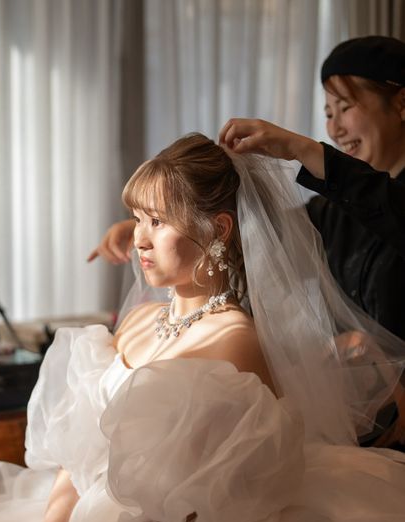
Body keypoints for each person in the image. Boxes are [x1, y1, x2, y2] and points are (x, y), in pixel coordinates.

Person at [0, 133, 405, 522]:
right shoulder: (135, 322)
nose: (139, 240)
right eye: (137, 219)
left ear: (218, 230)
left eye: (157, 221)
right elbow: (77, 455)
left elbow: (194, 507)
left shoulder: (234, 341)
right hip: (74, 521)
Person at [90, 35, 405, 449]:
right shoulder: (331, 212)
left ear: (401, 103)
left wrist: (300, 148)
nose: (334, 128)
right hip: (374, 422)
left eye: (345, 107)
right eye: (328, 113)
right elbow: (256, 234)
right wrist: (153, 222)